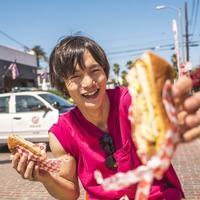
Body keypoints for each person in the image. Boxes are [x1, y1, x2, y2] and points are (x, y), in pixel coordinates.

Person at [12, 35, 200, 200]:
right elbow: (70, 193)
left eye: (95, 71)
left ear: (105, 72)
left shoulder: (129, 101)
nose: (88, 83)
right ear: (64, 85)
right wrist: (45, 177)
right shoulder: (62, 134)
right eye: (75, 76)